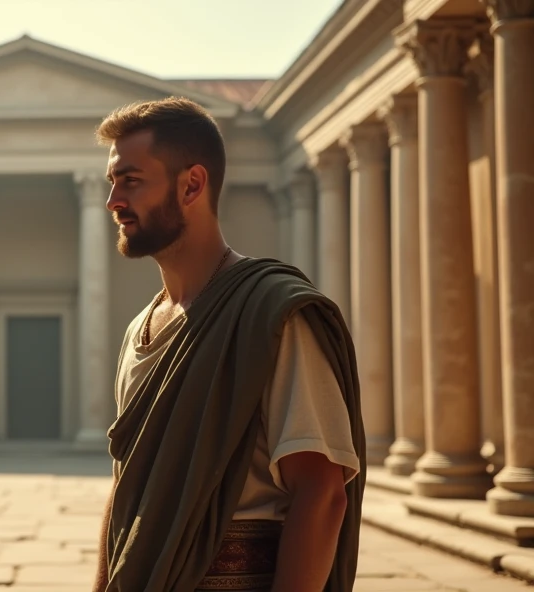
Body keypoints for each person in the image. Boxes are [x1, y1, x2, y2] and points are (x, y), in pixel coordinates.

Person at [91, 97, 366, 592]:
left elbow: (322, 492)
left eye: (130, 181)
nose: (112, 200)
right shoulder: (141, 329)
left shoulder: (270, 313)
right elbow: (124, 491)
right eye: (112, 182)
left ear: (192, 183)